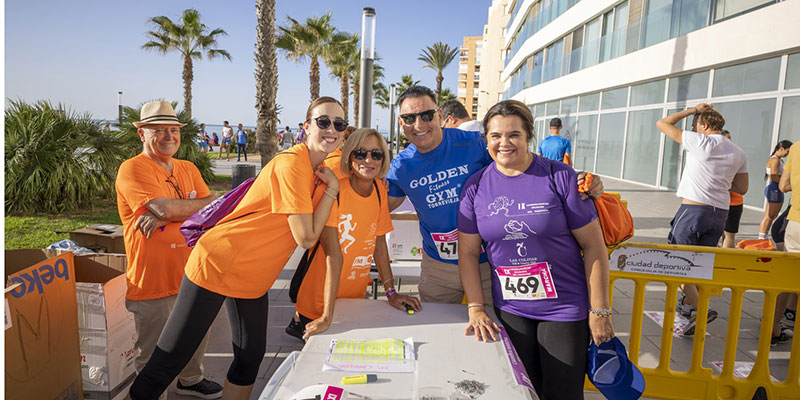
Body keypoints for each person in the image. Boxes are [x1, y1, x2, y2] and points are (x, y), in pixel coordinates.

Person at [127, 97, 346, 400]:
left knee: (250, 357)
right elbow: (306, 238)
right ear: (306, 126)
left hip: (252, 275)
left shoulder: (318, 171)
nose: (331, 129)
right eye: (323, 121)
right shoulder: (292, 165)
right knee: (167, 363)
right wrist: (333, 189)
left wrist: (333, 185)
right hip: (218, 262)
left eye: (339, 124)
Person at [386, 86, 604, 305]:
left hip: (488, 262)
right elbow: (380, 206)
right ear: (401, 122)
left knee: (494, 324)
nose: (419, 125)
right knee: (437, 323)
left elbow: (523, 165)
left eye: (426, 115)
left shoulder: (475, 143)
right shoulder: (401, 166)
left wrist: (575, 180)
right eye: (409, 118)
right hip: (439, 268)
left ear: (440, 115)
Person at [458, 100, 613, 399]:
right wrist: (476, 307)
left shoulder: (561, 177)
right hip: (511, 311)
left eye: (514, 134)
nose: (504, 143)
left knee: (562, 394)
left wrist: (600, 310)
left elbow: (594, 246)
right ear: (486, 140)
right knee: (521, 393)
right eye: (496, 135)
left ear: (529, 136)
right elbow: (467, 252)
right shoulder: (475, 187)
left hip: (564, 309)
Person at [115, 101, 222, 399]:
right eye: (159, 130)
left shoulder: (188, 168)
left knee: (196, 335)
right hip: (153, 278)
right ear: (142, 134)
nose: (168, 136)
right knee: (153, 351)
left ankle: (191, 380)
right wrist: (175, 209)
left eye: (173, 130)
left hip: (193, 272)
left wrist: (170, 214)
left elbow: (215, 209)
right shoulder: (132, 168)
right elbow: (166, 207)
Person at [288, 128, 422, 340]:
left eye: (376, 154)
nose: (368, 160)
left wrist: (391, 293)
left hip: (354, 301)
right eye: (360, 153)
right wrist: (326, 316)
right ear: (349, 157)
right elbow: (333, 256)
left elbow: (379, 246)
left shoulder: (380, 190)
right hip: (319, 304)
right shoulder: (332, 191)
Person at [656, 103, 748, 336]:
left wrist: (691, 110)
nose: (692, 128)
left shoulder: (701, 142)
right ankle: (691, 307)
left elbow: (662, 124)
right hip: (720, 213)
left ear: (705, 126)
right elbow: (742, 188)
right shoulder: (738, 151)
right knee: (699, 265)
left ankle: (701, 308)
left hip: (693, 210)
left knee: (677, 262)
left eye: (695, 124)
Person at [758, 140, 793, 239]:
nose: (787, 154)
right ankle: (761, 237)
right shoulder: (775, 160)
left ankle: (764, 236)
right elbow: (773, 177)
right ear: (781, 149)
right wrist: (787, 183)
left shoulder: (779, 160)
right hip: (774, 188)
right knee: (769, 215)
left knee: (773, 215)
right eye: (787, 151)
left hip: (777, 189)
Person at [720, 130, 744, 248]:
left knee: (728, 235)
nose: (729, 141)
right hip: (721, 201)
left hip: (733, 201)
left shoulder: (718, 157)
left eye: (730, 138)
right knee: (725, 234)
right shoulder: (737, 155)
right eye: (727, 138)